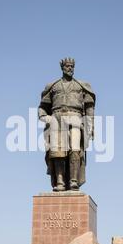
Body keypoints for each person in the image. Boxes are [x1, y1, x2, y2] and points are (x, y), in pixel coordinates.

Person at [38, 58, 96, 191]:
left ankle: (73, 180)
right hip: (56, 118)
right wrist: (44, 117)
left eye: (72, 66)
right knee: (57, 151)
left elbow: (89, 106)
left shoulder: (80, 86)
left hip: (75, 117)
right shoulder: (54, 86)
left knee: (75, 149)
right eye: (67, 66)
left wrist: (90, 124)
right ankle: (60, 182)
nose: (70, 69)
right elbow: (43, 106)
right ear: (62, 68)